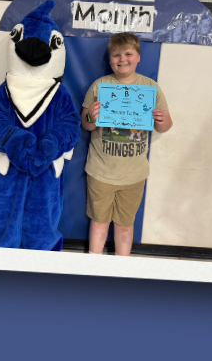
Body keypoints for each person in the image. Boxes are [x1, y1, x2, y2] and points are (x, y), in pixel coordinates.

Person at [81, 33, 173, 255]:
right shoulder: (100, 85)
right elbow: (86, 124)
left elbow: (165, 126)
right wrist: (91, 116)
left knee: (124, 225)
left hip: (134, 175)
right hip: (101, 172)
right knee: (99, 222)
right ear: (110, 59)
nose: (122, 59)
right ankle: (93, 265)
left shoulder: (150, 87)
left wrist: (163, 120)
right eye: (116, 55)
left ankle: (121, 267)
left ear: (138, 57)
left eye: (128, 54)